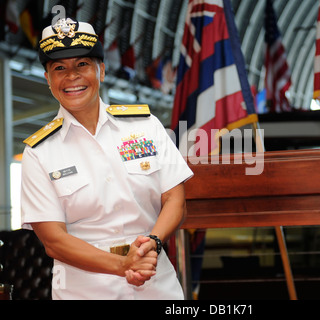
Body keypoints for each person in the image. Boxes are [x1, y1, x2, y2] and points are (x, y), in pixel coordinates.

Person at [20, 17, 193, 300]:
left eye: (82, 65)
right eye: (59, 68)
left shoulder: (145, 125)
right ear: (48, 80)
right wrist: (122, 265)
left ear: (101, 70)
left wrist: (153, 241)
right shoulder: (38, 152)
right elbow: (54, 241)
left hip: (155, 283)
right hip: (85, 291)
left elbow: (176, 200)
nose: (72, 76)